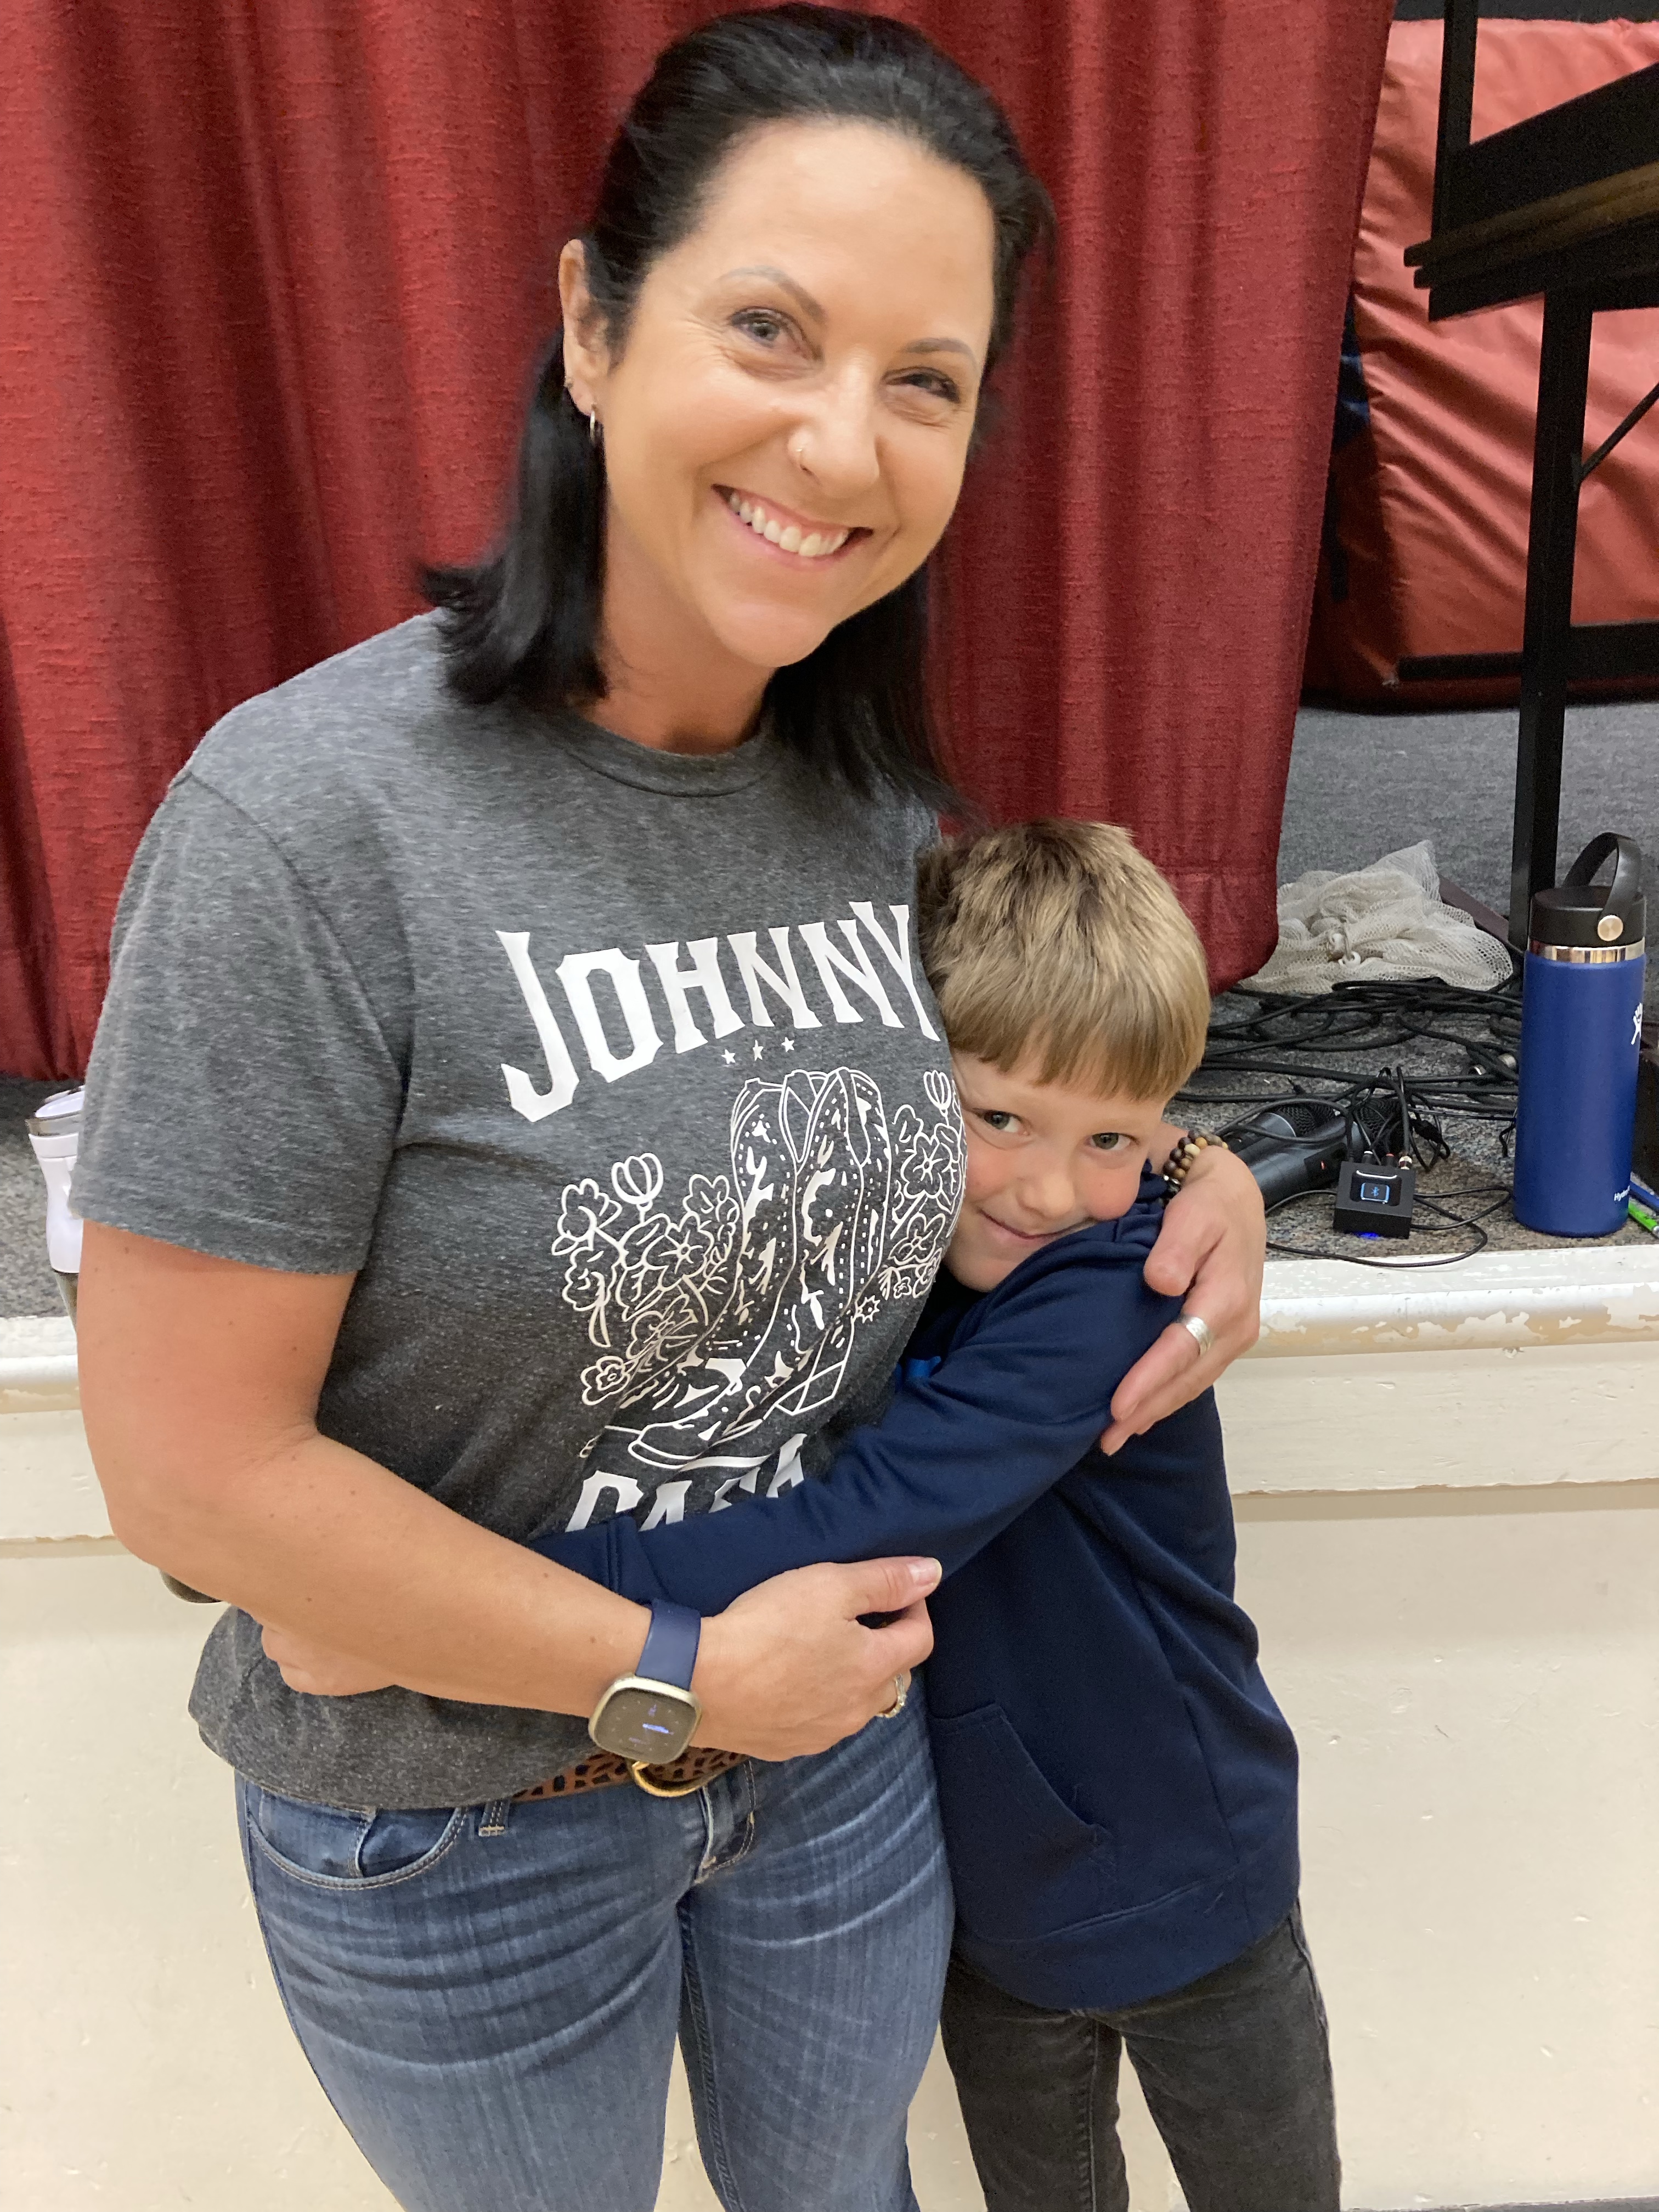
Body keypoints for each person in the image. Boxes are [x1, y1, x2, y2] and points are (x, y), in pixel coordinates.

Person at [72, 13, 1268, 2212]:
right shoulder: (307, 824)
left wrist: (1194, 1175)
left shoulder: (868, 806)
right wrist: (668, 1676)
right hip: (461, 1822)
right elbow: (188, 1476)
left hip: (832, 1759)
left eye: (927, 378)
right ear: (594, 325)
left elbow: (1017, 1110)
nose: (842, 439)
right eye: (769, 329)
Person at [500, 817, 1338, 2212]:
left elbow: (869, 1518)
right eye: (997, 1117)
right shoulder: (894, 1251)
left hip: (1191, 1859)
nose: (1051, 1189)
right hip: (994, 1896)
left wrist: (488, 1585)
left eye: (1112, 1139)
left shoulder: (1108, 1284)